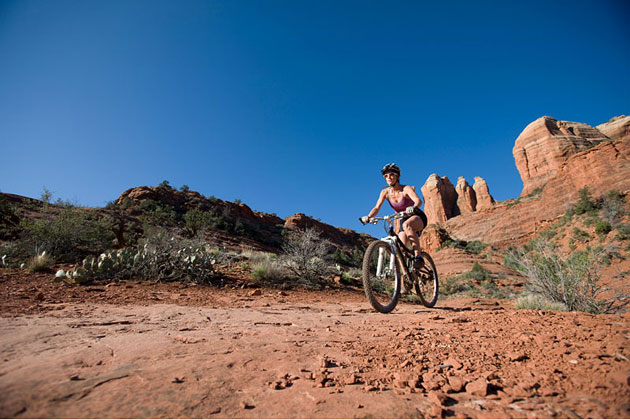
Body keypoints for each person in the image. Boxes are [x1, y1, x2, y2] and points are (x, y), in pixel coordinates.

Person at [361, 163, 428, 269]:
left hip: (416, 216)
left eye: (391, 174)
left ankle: (418, 257)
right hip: (402, 218)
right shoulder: (385, 192)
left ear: (397, 176)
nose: (389, 178)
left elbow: (418, 201)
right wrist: (368, 217)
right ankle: (406, 276)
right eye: (386, 176)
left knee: (407, 225)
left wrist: (413, 207)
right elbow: (377, 207)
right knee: (401, 249)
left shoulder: (405, 189)